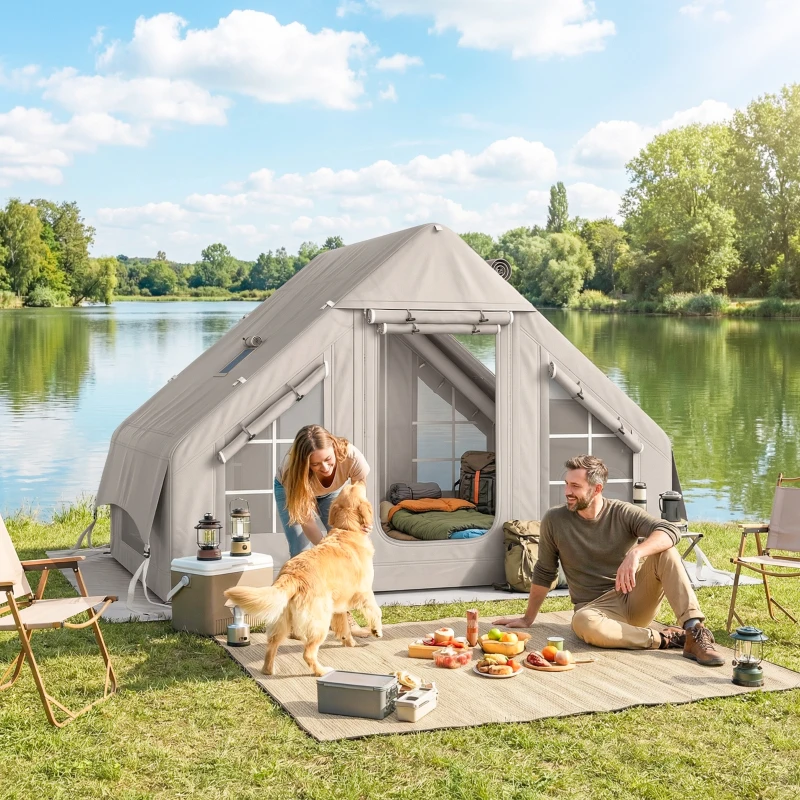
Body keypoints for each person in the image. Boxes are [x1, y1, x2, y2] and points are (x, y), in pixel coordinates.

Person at [493, 455, 724, 666]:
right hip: (594, 611)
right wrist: (528, 618)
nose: (567, 491)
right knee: (582, 622)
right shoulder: (555, 519)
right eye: (566, 484)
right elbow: (545, 571)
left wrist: (636, 553)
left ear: (597, 489)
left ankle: (694, 632)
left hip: (634, 598)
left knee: (665, 552)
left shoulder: (622, 512)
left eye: (575, 486)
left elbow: (668, 531)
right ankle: (666, 638)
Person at [274, 424, 372, 636]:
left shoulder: (351, 456)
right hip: (292, 490)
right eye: (316, 464)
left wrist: (362, 518)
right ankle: (293, 621)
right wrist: (327, 549)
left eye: (329, 460)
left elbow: (359, 490)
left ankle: (343, 620)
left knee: (339, 564)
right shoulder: (293, 471)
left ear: (335, 449)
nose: (326, 468)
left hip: (331, 493)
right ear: (305, 463)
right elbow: (307, 521)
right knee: (301, 552)